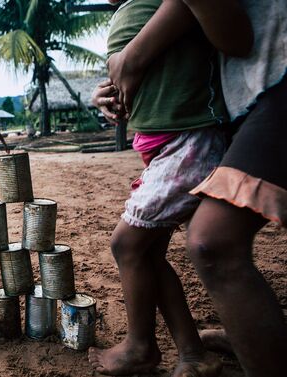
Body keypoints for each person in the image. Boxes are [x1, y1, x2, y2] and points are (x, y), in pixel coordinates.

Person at [93, 1, 287, 376]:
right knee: (150, 250)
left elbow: (235, 37)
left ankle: (142, 346)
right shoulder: (138, 11)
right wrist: (112, 85)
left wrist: (130, 60)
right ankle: (195, 351)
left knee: (154, 243)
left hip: (194, 142)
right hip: (215, 122)